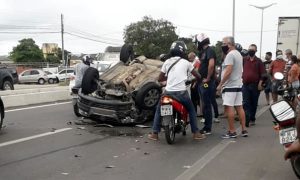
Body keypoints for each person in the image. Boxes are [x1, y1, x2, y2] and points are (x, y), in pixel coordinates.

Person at [148, 41, 205, 141]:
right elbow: (197, 75)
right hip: (181, 93)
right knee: (191, 109)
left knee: (158, 110)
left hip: (168, 92)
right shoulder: (186, 62)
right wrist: (199, 79)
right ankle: (196, 133)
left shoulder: (167, 62)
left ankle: (154, 133)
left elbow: (160, 78)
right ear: (183, 51)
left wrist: (169, 79)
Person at [217, 36, 248, 138]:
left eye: (224, 43)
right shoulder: (238, 54)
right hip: (238, 84)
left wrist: (221, 84)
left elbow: (228, 71)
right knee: (239, 107)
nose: (222, 45)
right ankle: (244, 129)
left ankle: (232, 131)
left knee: (229, 108)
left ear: (229, 44)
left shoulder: (230, 55)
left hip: (230, 85)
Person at [193, 33, 216, 135]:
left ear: (201, 41)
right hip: (201, 81)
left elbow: (211, 65)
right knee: (204, 104)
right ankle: (206, 125)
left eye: (197, 42)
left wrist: (207, 78)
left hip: (206, 83)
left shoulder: (210, 51)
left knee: (206, 105)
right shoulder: (203, 52)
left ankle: (208, 128)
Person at [242, 44, 266, 127]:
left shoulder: (259, 61)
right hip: (245, 85)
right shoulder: (244, 60)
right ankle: (247, 117)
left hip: (255, 86)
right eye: (250, 49)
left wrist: (260, 83)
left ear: (256, 51)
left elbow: (263, 74)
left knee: (254, 103)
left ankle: (252, 118)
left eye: (252, 50)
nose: (251, 51)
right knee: (245, 102)